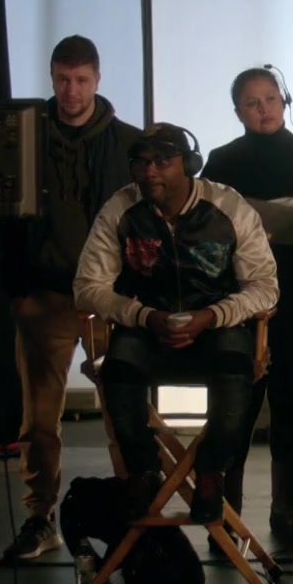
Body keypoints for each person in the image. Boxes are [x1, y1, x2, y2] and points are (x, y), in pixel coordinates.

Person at [73, 122, 279, 524]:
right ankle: (144, 473)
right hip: (145, 327)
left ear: (189, 164)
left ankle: (210, 473)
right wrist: (144, 316)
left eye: (162, 161)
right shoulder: (120, 208)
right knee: (117, 371)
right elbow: (87, 287)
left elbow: (266, 286)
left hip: (217, 327)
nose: (150, 171)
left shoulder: (229, 206)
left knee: (237, 372)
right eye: (141, 162)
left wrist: (212, 316)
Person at [4, 35, 143, 560]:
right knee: (39, 419)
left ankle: (136, 517)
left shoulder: (129, 145)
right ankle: (39, 517)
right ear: (51, 77)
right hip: (45, 295)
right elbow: (5, 219)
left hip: (109, 297)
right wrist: (17, 289)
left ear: (98, 80)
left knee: (123, 413)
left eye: (81, 80)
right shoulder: (26, 139)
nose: (71, 90)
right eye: (63, 79)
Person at [202, 67, 293, 543]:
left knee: (290, 400)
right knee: (237, 402)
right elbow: (202, 227)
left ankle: (289, 509)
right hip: (237, 295)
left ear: (285, 101)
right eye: (252, 102)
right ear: (238, 111)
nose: (263, 109)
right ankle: (226, 512)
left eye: (270, 99)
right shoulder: (222, 160)